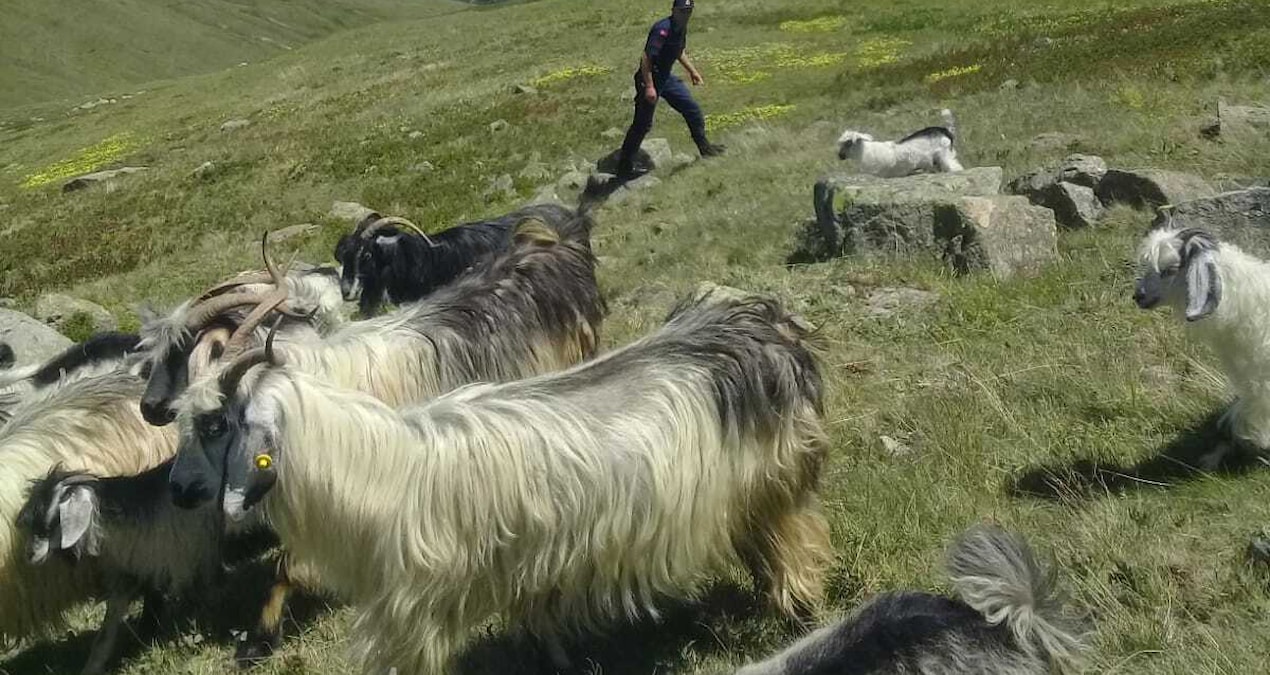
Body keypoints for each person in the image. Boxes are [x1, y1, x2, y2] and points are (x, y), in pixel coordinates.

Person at [615, 0, 725, 179]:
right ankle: (624, 166)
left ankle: (705, 148)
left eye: (689, 11)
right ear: (674, 10)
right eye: (682, 11)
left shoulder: (680, 28)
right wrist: (650, 87)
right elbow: (646, 59)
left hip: (666, 78)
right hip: (649, 78)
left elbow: (679, 51)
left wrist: (693, 72)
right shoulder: (662, 29)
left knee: (692, 109)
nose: (685, 14)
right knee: (643, 124)